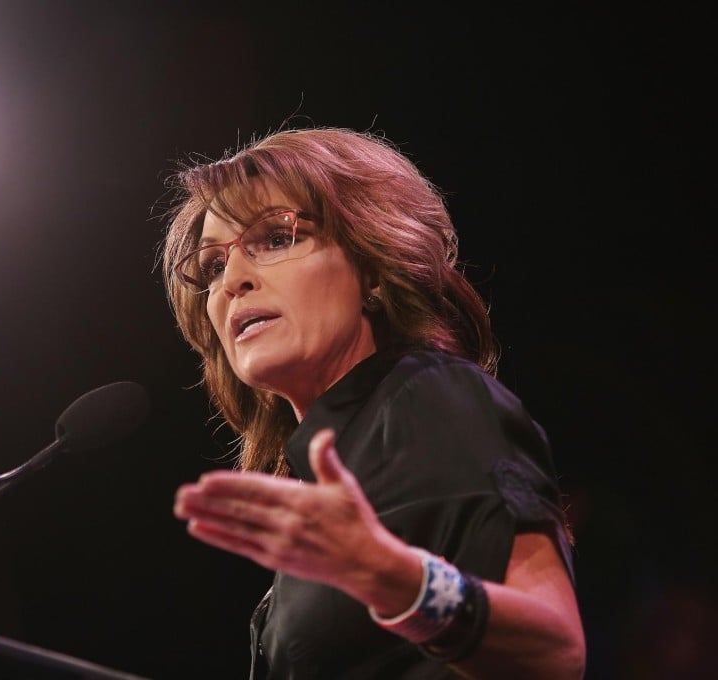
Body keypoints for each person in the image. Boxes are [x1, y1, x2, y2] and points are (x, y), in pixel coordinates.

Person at [160, 127, 585, 679]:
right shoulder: (326, 479)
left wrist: (392, 578)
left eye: (276, 238)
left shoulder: (431, 397)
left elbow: (557, 653)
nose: (233, 280)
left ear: (373, 266)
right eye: (214, 265)